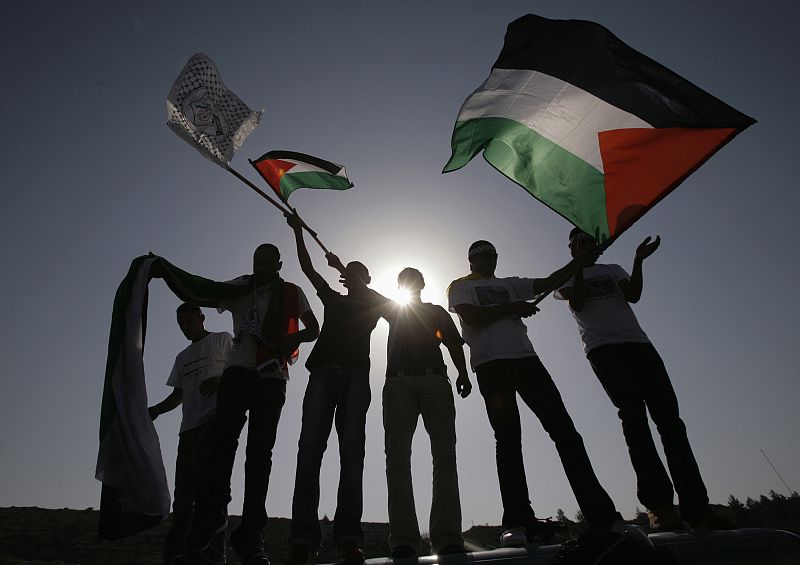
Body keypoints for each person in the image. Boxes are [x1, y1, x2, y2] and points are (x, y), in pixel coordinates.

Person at [447, 240, 634, 563]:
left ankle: (601, 514)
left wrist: (579, 263)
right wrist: (512, 308)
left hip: (528, 361)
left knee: (566, 433)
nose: (487, 259)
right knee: (508, 439)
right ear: (471, 261)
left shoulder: (510, 285)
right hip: (492, 364)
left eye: (491, 254)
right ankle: (517, 521)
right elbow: (471, 317)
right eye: (480, 256)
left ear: (496, 257)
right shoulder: (461, 286)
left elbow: (546, 283)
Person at [554, 228, 734, 531]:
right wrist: (581, 265)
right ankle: (660, 507)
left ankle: (696, 507)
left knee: (671, 422)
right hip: (604, 351)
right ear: (571, 249)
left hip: (639, 345)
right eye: (577, 243)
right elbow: (578, 304)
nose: (583, 245)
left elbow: (633, 295)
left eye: (587, 241)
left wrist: (637, 261)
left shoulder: (612, 269)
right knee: (634, 419)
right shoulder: (567, 277)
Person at [173, 244, 319, 565]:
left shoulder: (293, 292)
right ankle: (211, 523)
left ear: (279, 264)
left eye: (269, 262)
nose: (264, 267)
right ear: (253, 263)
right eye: (259, 262)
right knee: (220, 449)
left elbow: (314, 328)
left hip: (272, 376)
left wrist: (292, 339)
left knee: (259, 455)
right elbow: (204, 292)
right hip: (237, 373)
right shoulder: (240, 289)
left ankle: (252, 536)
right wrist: (166, 272)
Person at [283, 212, 383, 565]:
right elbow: (310, 270)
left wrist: (351, 272)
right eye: (349, 274)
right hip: (324, 374)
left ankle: (349, 538)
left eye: (360, 273)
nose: (352, 277)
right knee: (309, 450)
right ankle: (303, 538)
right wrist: (298, 233)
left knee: (352, 455)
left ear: (366, 279)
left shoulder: (374, 302)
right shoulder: (334, 299)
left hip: (356, 377)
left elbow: (394, 307)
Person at [379, 267, 472, 558]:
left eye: (413, 277)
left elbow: (454, 343)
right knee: (397, 457)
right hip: (398, 382)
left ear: (421, 282)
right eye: (403, 278)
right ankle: (404, 540)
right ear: (399, 285)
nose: (409, 281)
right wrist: (342, 268)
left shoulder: (435, 312)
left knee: (444, 455)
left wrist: (463, 374)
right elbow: (364, 292)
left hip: (434, 380)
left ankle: (446, 538)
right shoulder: (392, 310)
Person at [149, 303, 232, 565]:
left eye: (190, 322)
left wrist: (221, 381)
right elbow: (178, 395)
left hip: (216, 421)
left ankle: (212, 553)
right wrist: (155, 411)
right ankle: (178, 551)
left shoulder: (222, 340)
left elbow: (240, 371)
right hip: (189, 428)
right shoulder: (182, 357)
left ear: (201, 318)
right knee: (184, 492)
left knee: (210, 488)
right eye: (182, 325)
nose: (186, 328)